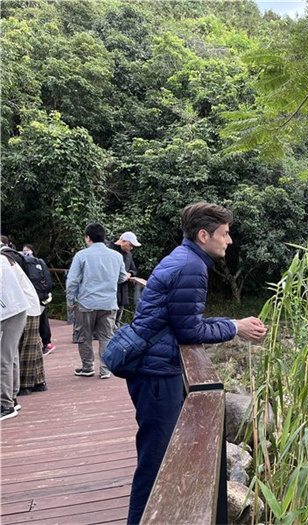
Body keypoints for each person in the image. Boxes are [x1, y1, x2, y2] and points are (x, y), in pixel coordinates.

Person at [125, 202, 267, 524]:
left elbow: (184, 321)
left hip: (153, 368)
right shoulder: (192, 266)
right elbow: (190, 331)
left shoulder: (184, 258)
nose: (229, 241)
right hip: (156, 373)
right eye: (225, 233)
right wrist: (235, 328)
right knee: (155, 461)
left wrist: (234, 322)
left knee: (157, 456)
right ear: (204, 235)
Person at [66, 223, 127, 379]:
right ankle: (105, 369)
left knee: (84, 335)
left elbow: (72, 280)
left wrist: (71, 300)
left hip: (87, 303)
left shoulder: (81, 255)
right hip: (108, 303)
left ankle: (87, 367)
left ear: (88, 238)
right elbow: (121, 277)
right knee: (107, 336)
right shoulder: (117, 256)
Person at [0, 249, 30, 420]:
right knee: (10, 357)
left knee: (4, 358)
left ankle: (6, 405)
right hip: (16, 309)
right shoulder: (5, 257)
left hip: (10, 312)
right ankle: (12, 397)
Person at [22, 244, 55, 355]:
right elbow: (48, 279)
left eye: (27, 250)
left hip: (31, 296)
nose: (25, 252)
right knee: (42, 319)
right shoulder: (39, 262)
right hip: (41, 295)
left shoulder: (23, 263)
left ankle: (39, 345)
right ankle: (47, 343)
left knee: (37, 321)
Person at [108, 232, 141, 326]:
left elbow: (134, 269)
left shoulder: (128, 254)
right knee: (107, 321)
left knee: (117, 320)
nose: (131, 248)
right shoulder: (108, 250)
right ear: (123, 241)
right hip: (109, 291)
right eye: (130, 245)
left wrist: (129, 274)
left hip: (122, 292)